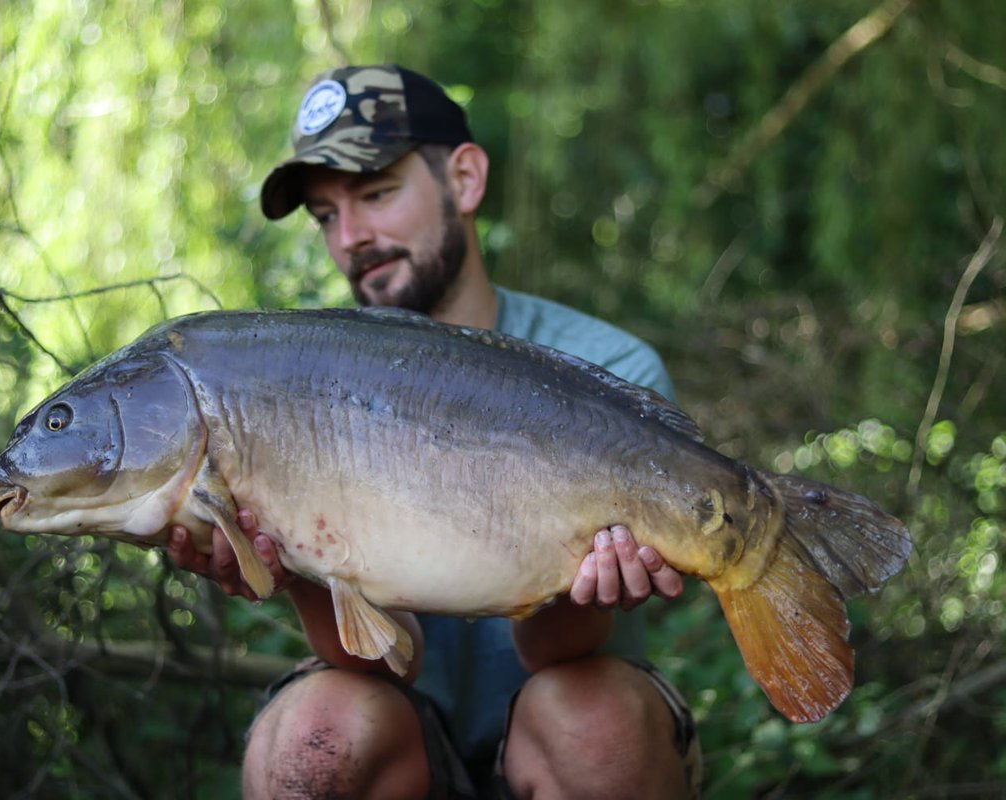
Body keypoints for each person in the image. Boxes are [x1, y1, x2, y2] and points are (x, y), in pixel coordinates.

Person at [168, 64, 703, 799]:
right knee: (313, 737)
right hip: (405, 740)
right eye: (326, 216)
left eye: (377, 194)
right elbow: (389, 660)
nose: (352, 237)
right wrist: (291, 569)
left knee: (592, 725)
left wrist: (583, 583)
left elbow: (561, 654)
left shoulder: (604, 368)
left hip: (559, 714)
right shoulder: (299, 392)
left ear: (466, 178)